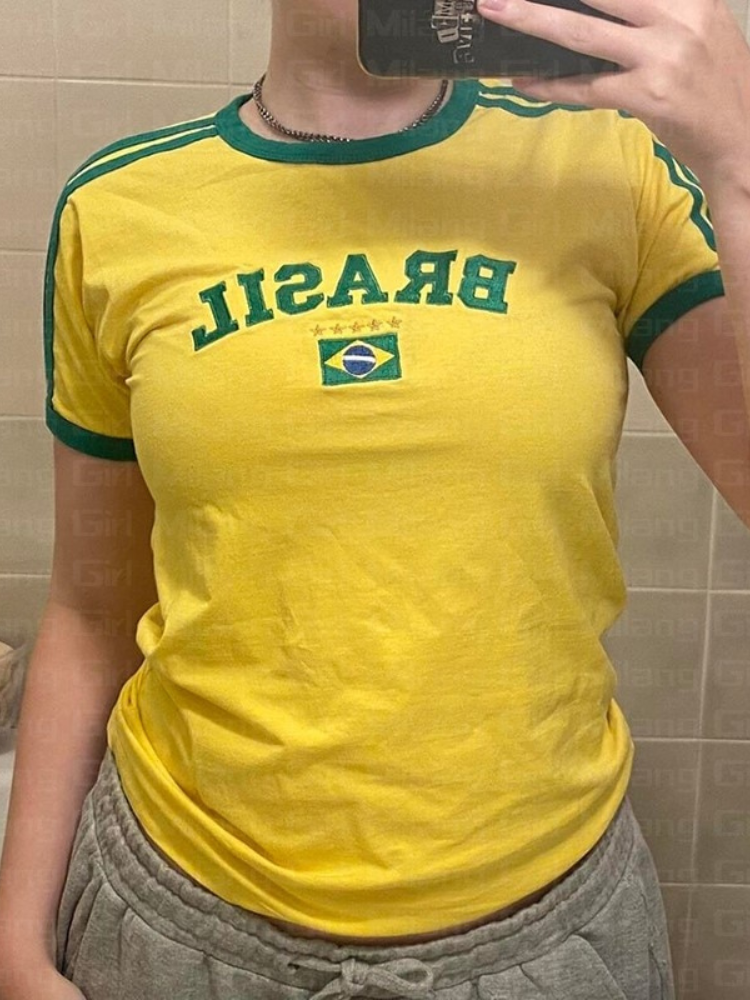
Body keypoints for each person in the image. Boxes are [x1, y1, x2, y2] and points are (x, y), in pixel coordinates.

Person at [0, 0, 729, 997]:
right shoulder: (120, 204)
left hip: (542, 935)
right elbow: (91, 613)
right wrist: (16, 947)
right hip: (175, 923)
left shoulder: (606, 168)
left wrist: (738, 160)